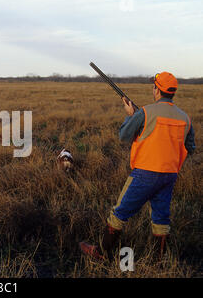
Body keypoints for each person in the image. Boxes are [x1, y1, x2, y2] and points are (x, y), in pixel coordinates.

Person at [80, 72, 196, 261]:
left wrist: (131, 116)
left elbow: (124, 136)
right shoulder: (185, 118)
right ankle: (159, 261)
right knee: (161, 219)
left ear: (157, 90)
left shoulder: (146, 112)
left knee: (119, 213)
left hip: (145, 174)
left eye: (154, 86)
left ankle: (101, 254)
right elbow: (190, 147)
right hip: (169, 176)